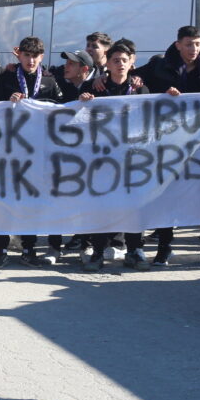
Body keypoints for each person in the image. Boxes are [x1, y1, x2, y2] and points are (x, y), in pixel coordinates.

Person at [136, 25, 200, 266]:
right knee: (167, 193)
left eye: (197, 44)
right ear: (178, 44)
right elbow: (136, 82)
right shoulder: (159, 66)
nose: (194, 49)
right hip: (169, 142)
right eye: (189, 44)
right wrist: (154, 90)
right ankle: (164, 247)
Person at [0, 36, 64, 268]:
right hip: (8, 150)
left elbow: (61, 106)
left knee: (31, 202)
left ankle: (29, 248)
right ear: (19, 55)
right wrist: (5, 101)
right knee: (3, 202)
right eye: (27, 55)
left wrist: (39, 102)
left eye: (35, 56)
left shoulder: (49, 80)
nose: (31, 60)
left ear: (42, 57)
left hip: (37, 153)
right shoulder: (6, 77)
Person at [78, 42, 152, 271]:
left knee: (133, 206)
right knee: (102, 206)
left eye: (124, 60)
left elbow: (151, 120)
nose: (120, 64)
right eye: (115, 60)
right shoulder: (95, 87)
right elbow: (74, 115)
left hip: (131, 159)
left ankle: (134, 250)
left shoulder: (140, 89)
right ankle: (98, 252)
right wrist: (83, 102)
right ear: (107, 64)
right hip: (101, 160)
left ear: (132, 62)